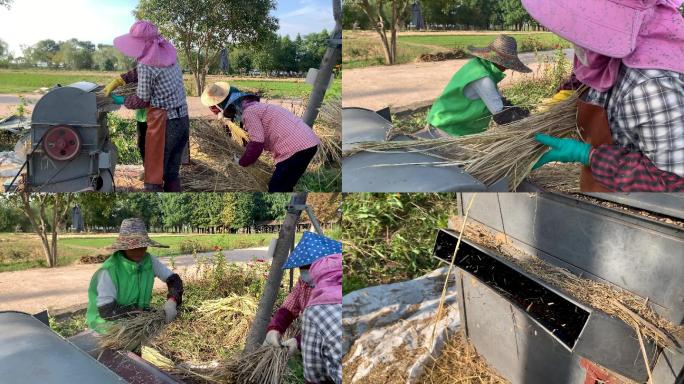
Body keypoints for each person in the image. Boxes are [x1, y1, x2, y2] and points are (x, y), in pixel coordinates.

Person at [523, 0, 684, 192]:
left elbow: (674, 185)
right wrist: (563, 97)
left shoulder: (651, 89)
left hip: (633, 215)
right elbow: (584, 81)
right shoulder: (607, 58)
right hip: (605, 195)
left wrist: (588, 155)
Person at [103, 20, 189, 192]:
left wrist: (123, 100)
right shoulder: (167, 53)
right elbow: (148, 71)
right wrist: (122, 79)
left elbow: (142, 99)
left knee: (153, 175)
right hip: (182, 120)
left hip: (165, 124)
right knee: (172, 172)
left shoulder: (146, 65)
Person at [200, 82, 320, 192]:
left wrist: (242, 162)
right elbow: (249, 137)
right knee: (285, 185)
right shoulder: (255, 107)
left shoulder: (249, 113)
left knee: (276, 187)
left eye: (216, 109)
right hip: (307, 143)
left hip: (296, 149)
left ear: (224, 105)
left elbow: (257, 143)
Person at [264, 231, 342, 384]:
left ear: (323, 265)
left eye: (308, 268)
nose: (304, 274)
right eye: (302, 269)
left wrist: (299, 341)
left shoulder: (336, 288)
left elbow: (323, 327)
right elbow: (289, 306)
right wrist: (275, 328)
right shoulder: (303, 283)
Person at [86, 218, 183, 336]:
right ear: (123, 247)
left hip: (136, 322)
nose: (138, 251)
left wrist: (172, 301)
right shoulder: (109, 271)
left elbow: (173, 279)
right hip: (107, 327)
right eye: (133, 247)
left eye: (142, 246)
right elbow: (106, 310)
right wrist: (143, 312)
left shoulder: (149, 261)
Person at [423, 34, 532, 138]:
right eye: (508, 65)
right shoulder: (482, 78)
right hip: (447, 129)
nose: (508, 68)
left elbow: (501, 101)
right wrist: (528, 126)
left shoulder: (479, 66)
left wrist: (523, 114)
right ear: (499, 62)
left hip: (446, 122)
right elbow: (501, 115)